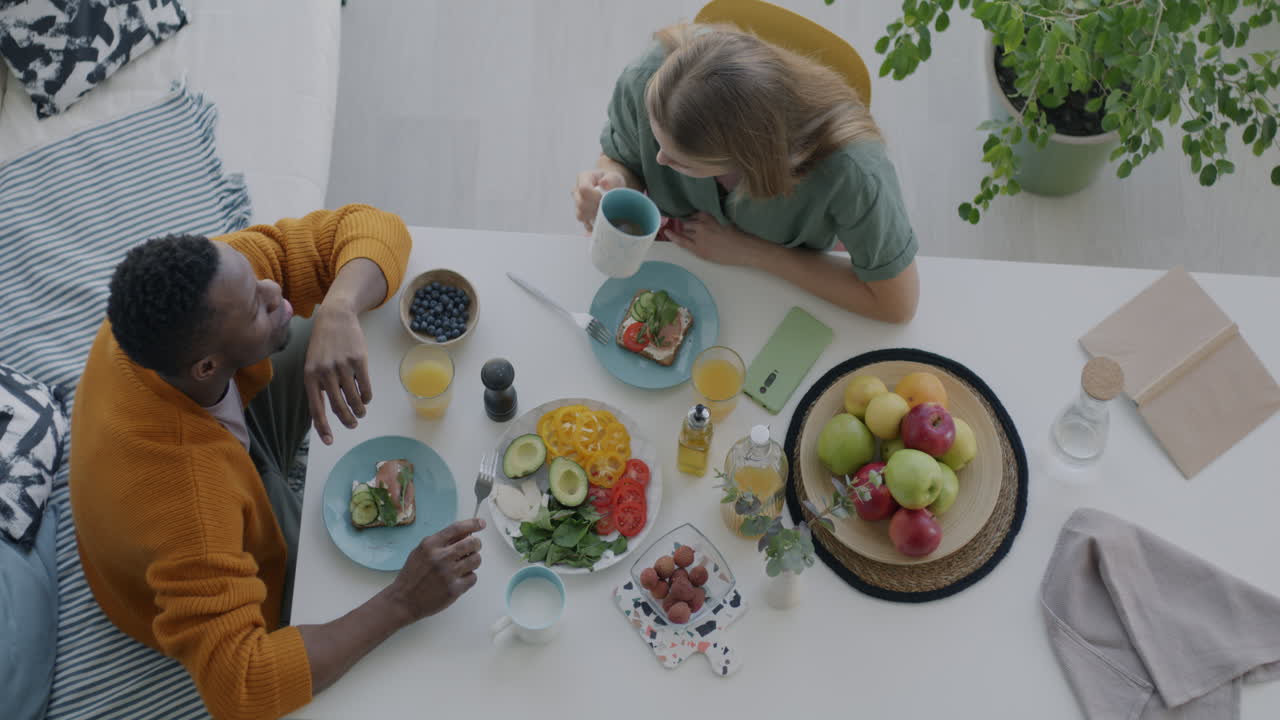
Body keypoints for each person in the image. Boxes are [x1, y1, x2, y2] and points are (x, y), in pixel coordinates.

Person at [70, 205, 484, 720]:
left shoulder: (208, 287)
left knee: (348, 315)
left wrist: (338, 309)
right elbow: (241, 688)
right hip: (170, 531)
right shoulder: (189, 506)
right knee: (331, 571)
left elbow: (374, 226)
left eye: (259, 283)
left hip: (224, 430)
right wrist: (403, 601)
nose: (275, 293)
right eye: (257, 309)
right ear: (207, 365)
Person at [572, 24, 920, 324]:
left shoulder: (853, 171)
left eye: (681, 161)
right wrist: (615, 179)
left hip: (796, 271)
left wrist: (752, 253)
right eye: (656, 138)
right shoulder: (650, 77)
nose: (659, 160)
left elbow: (897, 304)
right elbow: (624, 156)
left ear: (748, 158)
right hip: (683, 257)